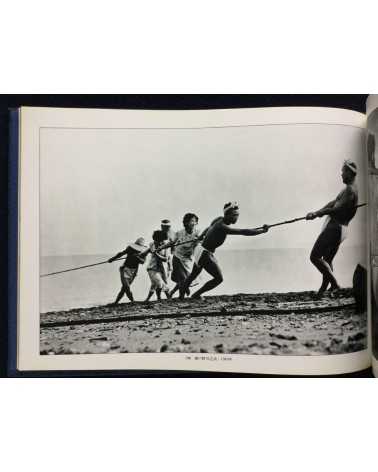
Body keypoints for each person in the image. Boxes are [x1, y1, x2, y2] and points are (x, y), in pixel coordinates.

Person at [180, 202, 269, 299]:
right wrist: (262, 231)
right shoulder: (222, 226)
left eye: (237, 215)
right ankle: (196, 295)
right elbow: (243, 232)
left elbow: (207, 228)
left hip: (199, 249)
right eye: (234, 215)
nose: (236, 217)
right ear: (227, 215)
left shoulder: (218, 219)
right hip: (204, 252)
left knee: (193, 274)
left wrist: (200, 237)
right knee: (218, 279)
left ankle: (181, 295)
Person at [306, 160, 359, 295]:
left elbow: (336, 209)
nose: (341, 175)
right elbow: (333, 203)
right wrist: (316, 212)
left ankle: (335, 285)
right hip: (342, 229)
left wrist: (317, 214)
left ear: (350, 173)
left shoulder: (350, 190)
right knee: (327, 260)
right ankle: (324, 288)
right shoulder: (349, 189)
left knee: (315, 257)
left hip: (336, 228)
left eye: (343, 172)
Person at [169, 213, 201, 299]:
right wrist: (161, 247)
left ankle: (172, 292)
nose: (192, 223)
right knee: (182, 279)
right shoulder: (179, 233)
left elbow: (203, 242)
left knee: (187, 279)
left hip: (188, 259)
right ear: (185, 223)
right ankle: (181, 296)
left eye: (194, 221)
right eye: (190, 221)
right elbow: (172, 242)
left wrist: (199, 240)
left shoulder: (198, 233)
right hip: (178, 257)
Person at [108, 237, 148, 304]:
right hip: (125, 269)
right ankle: (132, 300)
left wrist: (137, 257)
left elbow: (143, 262)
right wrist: (112, 259)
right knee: (127, 286)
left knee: (124, 288)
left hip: (134, 271)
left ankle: (116, 302)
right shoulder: (130, 248)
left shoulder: (143, 252)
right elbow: (121, 253)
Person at [145, 230, 171, 301]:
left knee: (155, 284)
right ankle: (169, 297)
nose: (159, 242)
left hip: (162, 268)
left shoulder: (166, 246)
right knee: (159, 283)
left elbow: (166, 259)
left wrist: (156, 254)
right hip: (152, 268)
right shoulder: (152, 244)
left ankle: (154, 298)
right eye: (157, 240)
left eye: (161, 241)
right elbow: (147, 251)